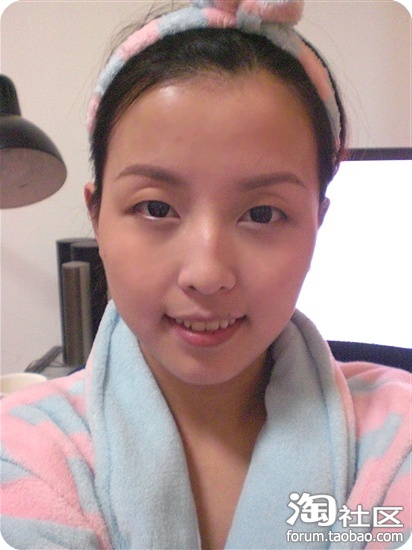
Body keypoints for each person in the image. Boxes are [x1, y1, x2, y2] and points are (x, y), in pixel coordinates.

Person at [1, 1, 410, 548]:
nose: (207, 273)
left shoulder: (396, 435)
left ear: (318, 223)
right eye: (156, 208)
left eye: (262, 214)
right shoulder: (21, 452)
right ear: (96, 215)